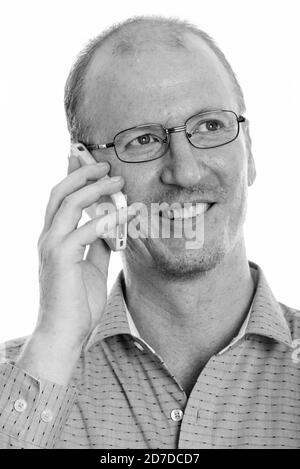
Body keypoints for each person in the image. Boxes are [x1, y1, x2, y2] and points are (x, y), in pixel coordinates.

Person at [0, 16, 299, 449]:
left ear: (248, 151)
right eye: (141, 139)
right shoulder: (22, 386)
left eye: (209, 127)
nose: (185, 170)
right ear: (87, 177)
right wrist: (55, 346)